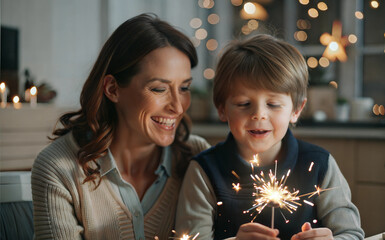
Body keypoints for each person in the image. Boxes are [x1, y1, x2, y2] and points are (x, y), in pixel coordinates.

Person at [31, 13, 210, 240]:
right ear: (113, 89)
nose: (178, 107)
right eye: (159, 89)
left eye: (184, 88)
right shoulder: (59, 168)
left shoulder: (197, 157)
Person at [175, 34, 364, 240]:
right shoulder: (204, 171)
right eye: (243, 104)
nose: (259, 114)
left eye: (273, 104)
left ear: (296, 110)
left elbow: (352, 233)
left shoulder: (319, 165)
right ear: (222, 109)